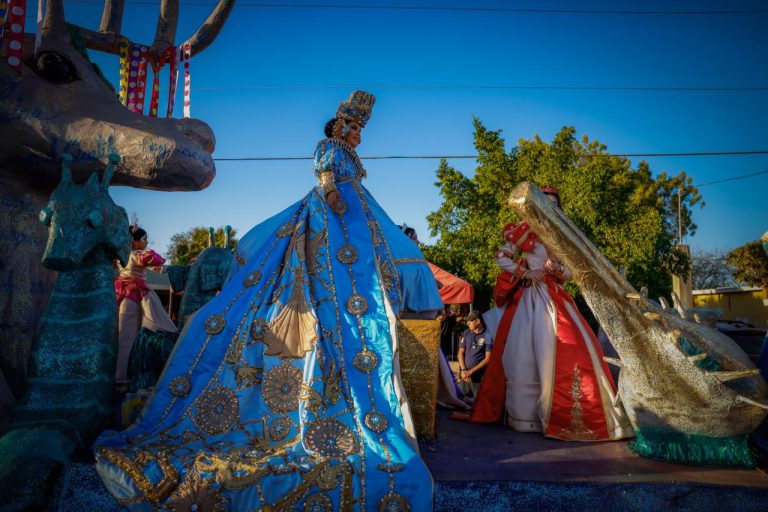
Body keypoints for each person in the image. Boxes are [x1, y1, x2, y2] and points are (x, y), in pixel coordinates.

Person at [94, 91, 442, 511]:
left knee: (363, 277)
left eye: (359, 129)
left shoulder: (351, 159)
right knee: (317, 269)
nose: (355, 133)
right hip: (329, 218)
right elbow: (326, 176)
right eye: (350, 126)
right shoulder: (330, 149)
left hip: (353, 219)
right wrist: (333, 196)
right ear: (337, 127)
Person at [466, 186, 633, 441]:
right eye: (547, 203)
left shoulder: (563, 236)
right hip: (530, 298)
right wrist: (525, 272)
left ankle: (568, 415)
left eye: (555, 204)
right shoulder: (524, 229)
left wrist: (557, 270)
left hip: (555, 297)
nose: (551, 208)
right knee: (522, 356)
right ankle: (526, 419)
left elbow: (573, 273)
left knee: (570, 349)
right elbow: (500, 256)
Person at [113, 225, 178, 391]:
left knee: (124, 335)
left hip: (122, 295)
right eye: (144, 239)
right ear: (134, 242)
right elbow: (154, 260)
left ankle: (120, 375)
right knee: (133, 333)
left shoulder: (121, 256)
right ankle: (126, 376)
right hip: (136, 295)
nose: (146, 242)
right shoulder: (136, 255)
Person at [456, 310, 492, 398]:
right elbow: (460, 353)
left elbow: (488, 358)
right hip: (465, 376)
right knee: (461, 401)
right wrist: (464, 370)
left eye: (470, 321)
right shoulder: (466, 333)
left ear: (478, 321)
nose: (468, 323)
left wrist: (471, 371)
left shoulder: (487, 335)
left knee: (477, 402)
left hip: (478, 377)